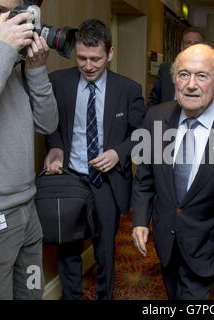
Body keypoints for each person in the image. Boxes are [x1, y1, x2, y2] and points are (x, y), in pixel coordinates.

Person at [132, 44, 214, 300]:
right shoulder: (155, 117)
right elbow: (144, 178)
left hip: (208, 240)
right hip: (165, 238)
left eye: (202, 76)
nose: (191, 84)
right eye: (184, 74)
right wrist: (139, 220)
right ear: (174, 81)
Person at [43, 18, 146, 300]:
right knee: (68, 247)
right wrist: (56, 147)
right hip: (71, 179)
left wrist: (119, 153)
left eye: (96, 59)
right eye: (82, 58)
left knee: (104, 251)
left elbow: (142, 136)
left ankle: (105, 295)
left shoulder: (129, 89)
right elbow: (49, 124)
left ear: (110, 53)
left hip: (107, 183)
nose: (88, 65)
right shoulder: (58, 83)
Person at [0, 0, 58, 299]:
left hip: (27, 209)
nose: (5, 21)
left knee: (32, 291)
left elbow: (47, 123)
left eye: (11, 12)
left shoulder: (13, 54)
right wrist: (2, 49)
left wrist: (36, 68)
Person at [147, 27, 204, 108]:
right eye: (189, 42)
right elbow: (154, 100)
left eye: (196, 43)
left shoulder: (208, 70)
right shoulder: (165, 69)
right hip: (166, 118)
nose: (192, 46)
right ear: (182, 46)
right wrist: (156, 121)